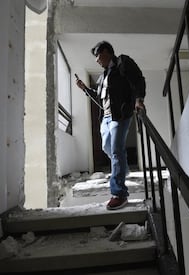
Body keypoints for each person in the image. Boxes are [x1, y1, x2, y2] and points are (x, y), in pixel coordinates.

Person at [76, 41, 146, 210]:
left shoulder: (123, 62)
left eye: (97, 56)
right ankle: (124, 169)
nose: (96, 60)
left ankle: (119, 193)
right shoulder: (102, 76)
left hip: (120, 116)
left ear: (106, 52)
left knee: (116, 151)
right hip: (106, 118)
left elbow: (138, 79)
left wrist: (138, 99)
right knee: (108, 148)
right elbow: (99, 98)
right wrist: (85, 88)